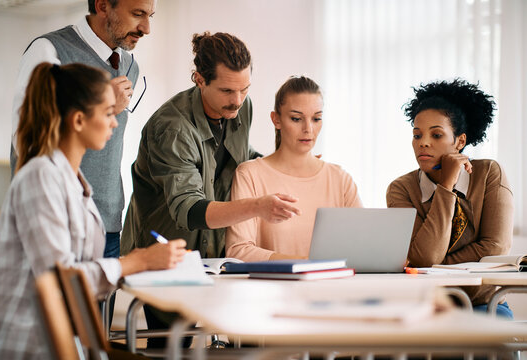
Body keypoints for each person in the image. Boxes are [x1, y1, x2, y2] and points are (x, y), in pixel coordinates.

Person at [0, 62, 186, 360]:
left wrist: (141, 264)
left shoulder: (70, 179)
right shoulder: (41, 176)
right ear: (79, 120)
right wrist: (136, 261)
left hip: (61, 342)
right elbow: (59, 279)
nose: (115, 122)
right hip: (28, 345)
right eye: (108, 113)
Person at [121, 31, 300, 347]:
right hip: (165, 253)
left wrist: (285, 164)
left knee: (245, 337)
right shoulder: (172, 127)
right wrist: (258, 206)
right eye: (227, 90)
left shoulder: (241, 108)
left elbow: (239, 160)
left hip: (215, 252)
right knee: (172, 344)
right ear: (199, 79)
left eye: (245, 89)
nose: (237, 100)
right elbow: (189, 209)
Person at [10, 0, 156, 259]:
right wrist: (102, 103)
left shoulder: (131, 66)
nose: (146, 28)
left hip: (108, 223)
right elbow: (28, 138)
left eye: (150, 16)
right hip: (57, 218)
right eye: (137, 14)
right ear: (102, 6)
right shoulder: (49, 50)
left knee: (94, 299)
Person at [386, 79, 514, 318]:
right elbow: (423, 257)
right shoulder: (401, 189)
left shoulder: (488, 174)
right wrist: (446, 186)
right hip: (427, 305)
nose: (423, 142)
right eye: (417, 135)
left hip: (484, 304)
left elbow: (495, 247)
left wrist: (434, 266)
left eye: (436, 134)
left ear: (460, 141)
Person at [225, 76, 362, 261]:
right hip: (272, 288)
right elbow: (238, 251)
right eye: (296, 118)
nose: (308, 129)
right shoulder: (250, 174)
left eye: (316, 118)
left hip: (332, 287)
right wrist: (305, 264)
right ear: (276, 120)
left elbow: (361, 246)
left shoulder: (340, 179)